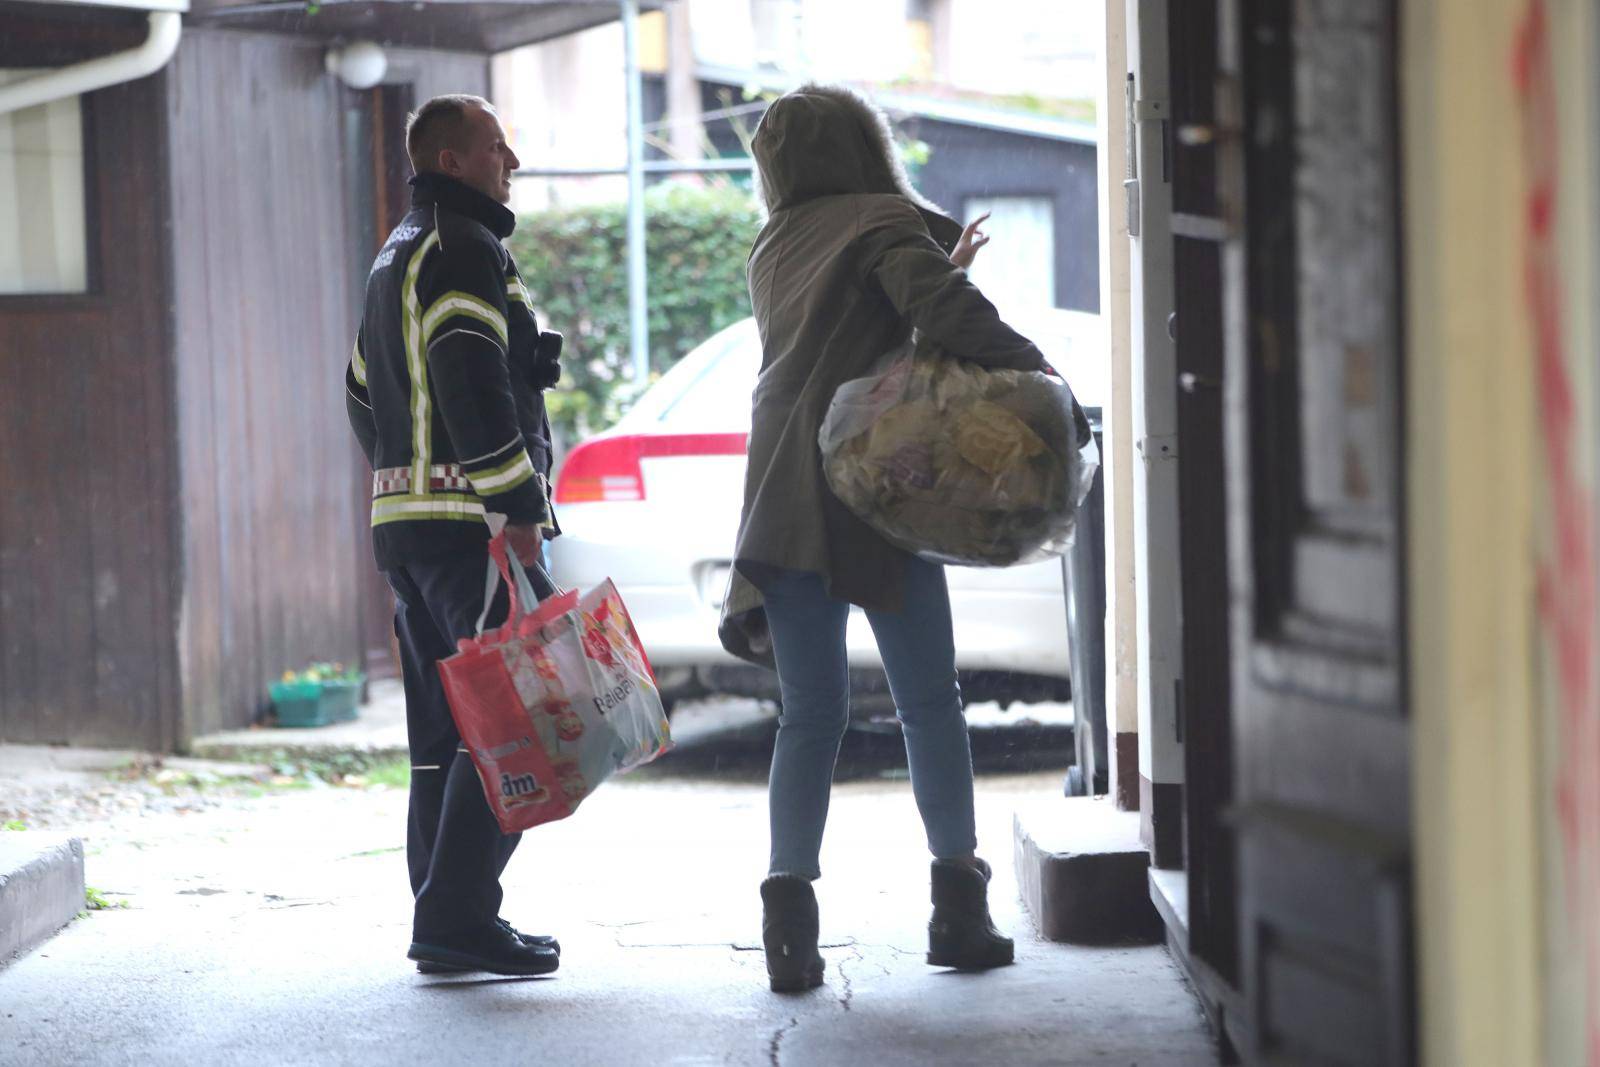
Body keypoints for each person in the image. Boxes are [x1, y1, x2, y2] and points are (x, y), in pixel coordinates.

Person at [719, 83, 1051, 994]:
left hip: (782, 484)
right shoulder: (881, 219)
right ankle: (958, 909)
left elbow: (855, 314)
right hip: (873, 481)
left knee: (809, 715)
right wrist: (1040, 372)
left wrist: (937, 253)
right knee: (927, 704)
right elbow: (940, 315)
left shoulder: (775, 241)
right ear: (867, 146)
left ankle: (789, 924)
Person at [345, 93, 565, 977]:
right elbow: (470, 377)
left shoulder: (393, 256)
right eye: (495, 148)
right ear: (448, 159)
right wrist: (515, 501)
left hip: (406, 528)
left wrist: (404, 467)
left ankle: (443, 910)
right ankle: (455, 916)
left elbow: (361, 394)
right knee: (521, 716)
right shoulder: (464, 248)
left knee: (446, 732)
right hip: (472, 528)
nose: (510, 162)